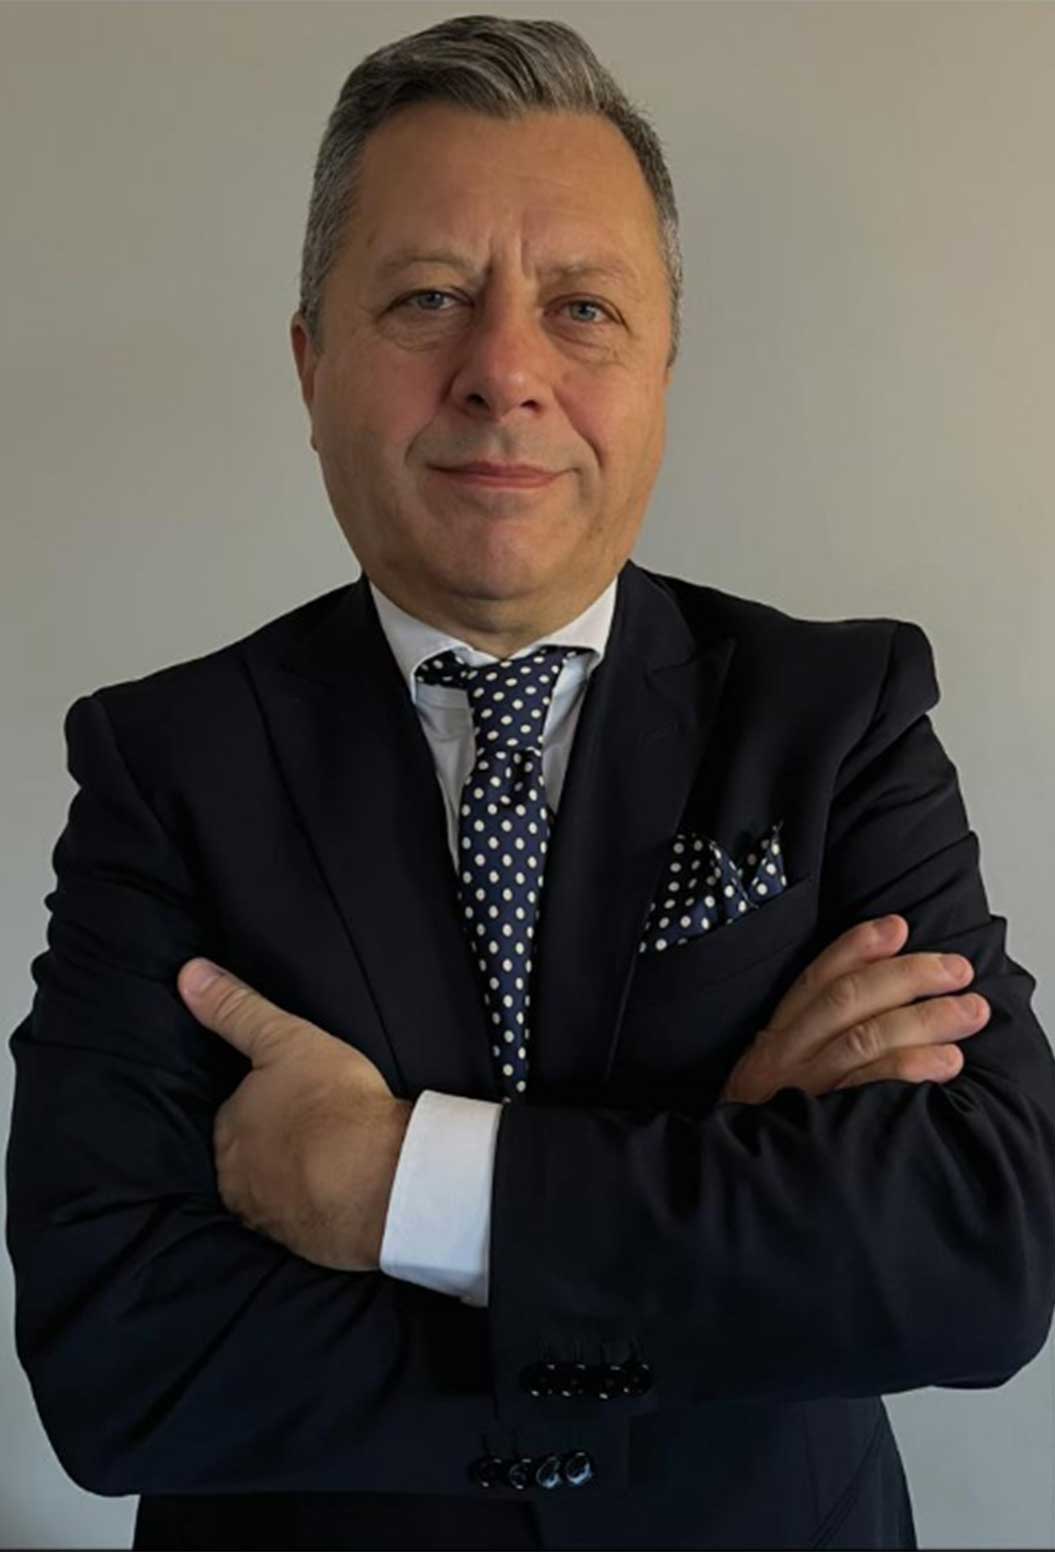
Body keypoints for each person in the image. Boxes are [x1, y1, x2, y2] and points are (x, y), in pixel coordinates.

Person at [6, 13, 1053, 1552]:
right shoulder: (166, 766)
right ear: (311, 366)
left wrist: (402, 1187)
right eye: (428, 298)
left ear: (664, 366)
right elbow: (121, 1363)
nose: (503, 372)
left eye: (582, 307)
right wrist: (727, 1191)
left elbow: (980, 1250)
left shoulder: (839, 716)